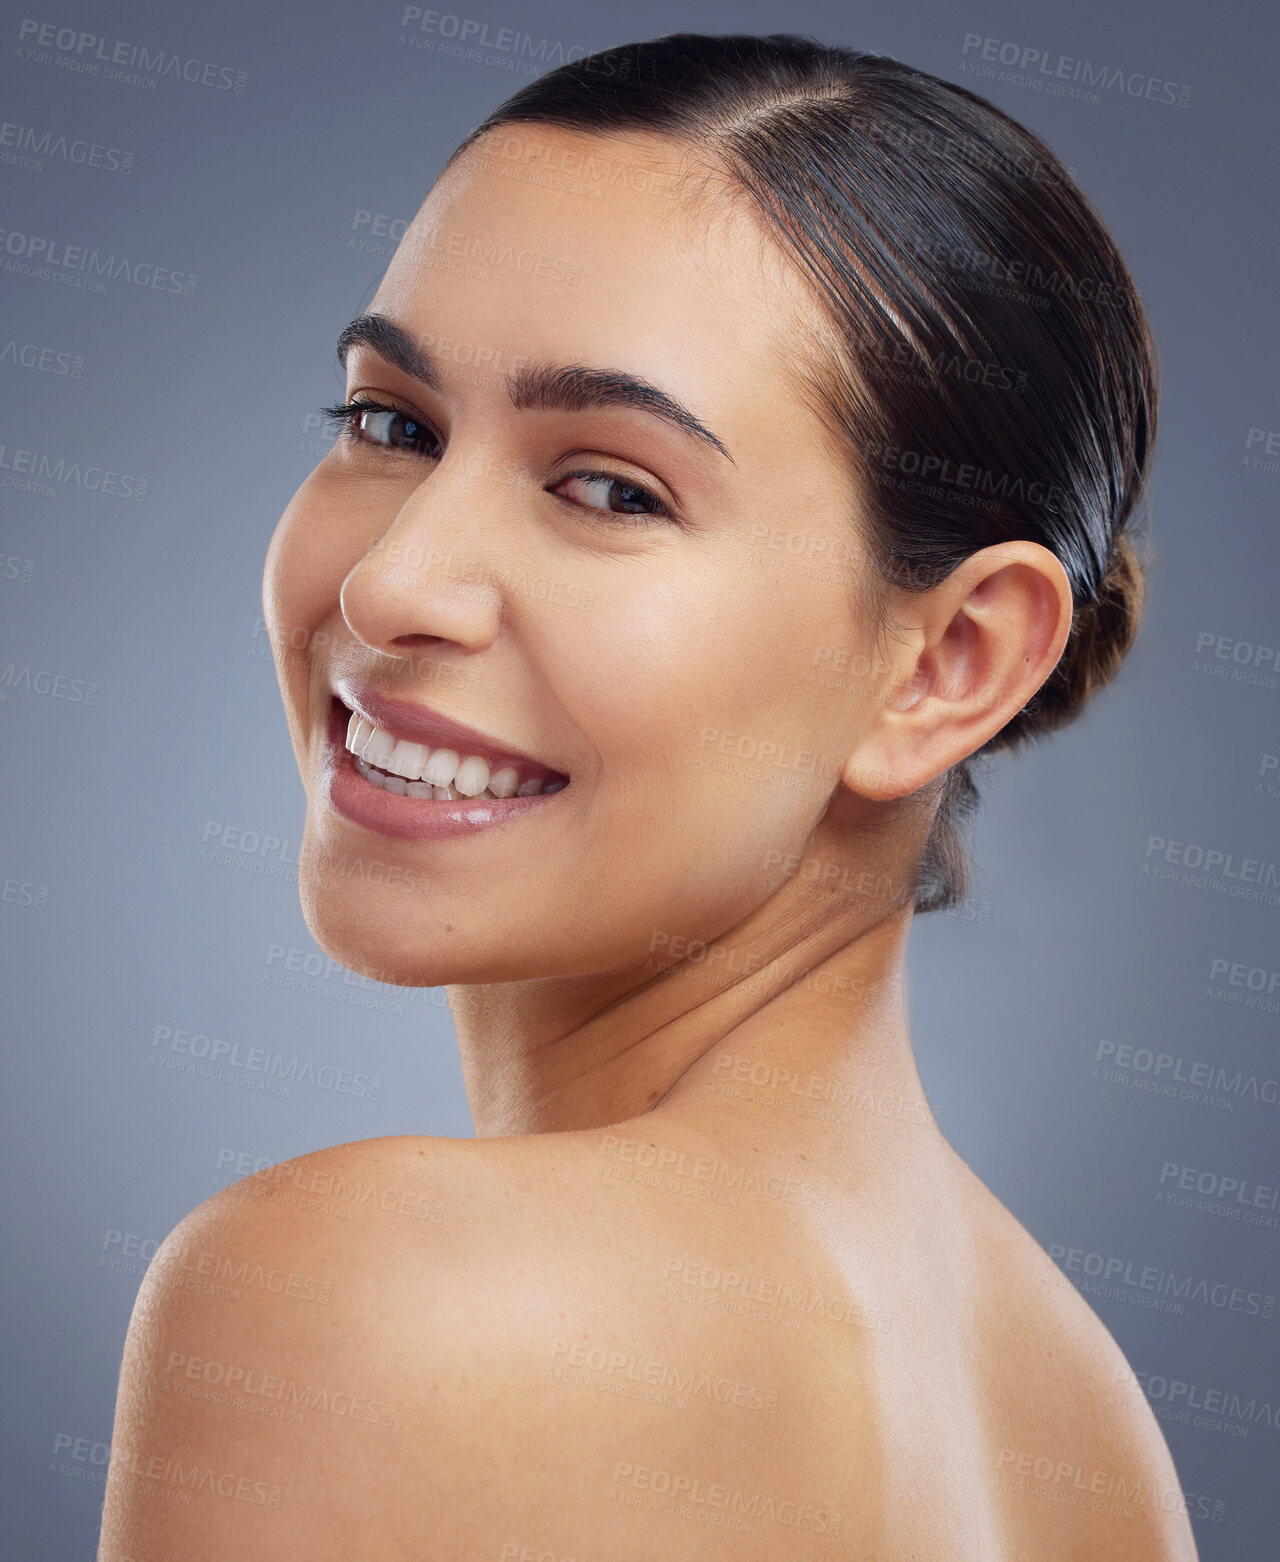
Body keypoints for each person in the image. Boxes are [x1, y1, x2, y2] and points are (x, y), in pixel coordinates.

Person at [99, 32, 1197, 1561]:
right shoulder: (1092, 1434)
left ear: (947, 659)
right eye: (392, 423)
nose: (393, 577)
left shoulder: (361, 1292)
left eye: (610, 487)